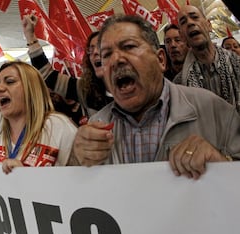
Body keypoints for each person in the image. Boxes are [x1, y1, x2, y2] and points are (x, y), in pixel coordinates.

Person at [68, 14, 240, 180]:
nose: (116, 60)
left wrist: (221, 164)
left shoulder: (213, 109)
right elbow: (72, 195)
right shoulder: (96, 125)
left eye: (129, 46)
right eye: (106, 55)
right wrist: (77, 159)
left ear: (160, 60)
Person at [22, 15, 113, 123]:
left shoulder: (135, 85)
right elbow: (48, 75)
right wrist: (30, 36)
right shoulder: (86, 90)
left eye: (100, 46)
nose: (95, 53)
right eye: (91, 50)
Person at [174, 4, 240, 112]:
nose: (190, 23)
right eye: (183, 22)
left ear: (209, 25)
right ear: (182, 36)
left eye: (194, 17)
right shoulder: (180, 85)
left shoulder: (236, 63)